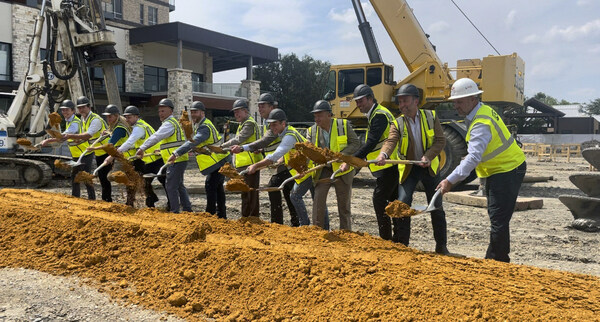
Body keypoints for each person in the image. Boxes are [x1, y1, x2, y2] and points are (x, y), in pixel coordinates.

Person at [437, 78, 527, 262]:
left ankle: (498, 261)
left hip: (507, 169)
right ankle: (494, 258)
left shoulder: (480, 122)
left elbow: (474, 158)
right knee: (498, 218)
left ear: (473, 99)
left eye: (459, 101)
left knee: (498, 218)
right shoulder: (481, 112)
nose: (456, 106)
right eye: (454, 101)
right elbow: (479, 152)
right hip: (501, 169)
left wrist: (449, 180)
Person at [377, 84, 449, 253]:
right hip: (410, 168)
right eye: (400, 102)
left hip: (429, 168)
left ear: (416, 101)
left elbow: (440, 141)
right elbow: (390, 141)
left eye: (405, 101)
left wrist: (428, 157)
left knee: (436, 206)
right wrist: (383, 155)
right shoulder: (398, 122)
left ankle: (441, 246)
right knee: (402, 204)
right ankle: (403, 245)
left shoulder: (431, 117)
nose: (402, 105)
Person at [340, 84, 400, 241]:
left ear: (370, 98)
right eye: (356, 102)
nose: (358, 105)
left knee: (379, 199)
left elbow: (372, 142)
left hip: (389, 164)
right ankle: (397, 239)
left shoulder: (379, 115)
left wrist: (352, 160)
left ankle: (386, 239)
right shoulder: (376, 114)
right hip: (387, 165)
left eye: (360, 101)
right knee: (393, 201)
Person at [230, 93, 300, 226]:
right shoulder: (269, 122)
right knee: (287, 190)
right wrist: (262, 151)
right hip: (279, 162)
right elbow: (272, 143)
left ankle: (281, 223)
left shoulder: (276, 121)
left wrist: (243, 148)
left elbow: (266, 140)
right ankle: (293, 222)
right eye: (259, 106)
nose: (260, 109)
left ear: (272, 107)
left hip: (285, 162)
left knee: (276, 187)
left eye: (263, 106)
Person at [246, 109, 311, 226]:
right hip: (300, 170)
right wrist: (281, 160)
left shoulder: (289, 136)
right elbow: (288, 152)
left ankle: (304, 225)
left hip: (308, 170)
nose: (272, 127)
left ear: (283, 124)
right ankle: (300, 224)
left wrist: (255, 166)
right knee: (294, 195)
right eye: (270, 125)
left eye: (275, 124)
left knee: (295, 196)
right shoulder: (285, 134)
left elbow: (276, 154)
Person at [168, 101, 231, 219]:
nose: (193, 115)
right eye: (192, 112)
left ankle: (210, 214)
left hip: (216, 161)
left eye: (195, 112)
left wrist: (176, 153)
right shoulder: (203, 124)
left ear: (202, 112)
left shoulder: (204, 127)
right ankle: (221, 216)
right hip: (219, 160)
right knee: (217, 188)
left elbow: (194, 141)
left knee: (210, 186)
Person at [307, 100, 360, 230]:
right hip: (323, 170)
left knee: (344, 205)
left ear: (329, 115)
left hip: (343, 170)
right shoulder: (311, 131)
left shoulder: (343, 125)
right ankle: (317, 231)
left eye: (319, 115)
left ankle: (345, 232)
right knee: (318, 201)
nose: (316, 118)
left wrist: (340, 156)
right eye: (315, 115)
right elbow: (308, 152)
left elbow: (355, 144)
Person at [135, 98, 191, 213]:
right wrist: (159, 150)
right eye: (159, 111)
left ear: (170, 111)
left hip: (175, 159)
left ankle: (175, 211)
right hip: (178, 158)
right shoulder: (173, 123)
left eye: (163, 111)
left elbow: (156, 137)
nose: (160, 113)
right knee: (179, 186)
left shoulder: (169, 124)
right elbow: (169, 142)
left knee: (171, 186)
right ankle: (187, 210)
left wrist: (142, 148)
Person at [106, 105, 165, 208]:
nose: (127, 120)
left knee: (157, 182)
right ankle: (149, 202)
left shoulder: (139, 128)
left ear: (136, 117)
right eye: (126, 117)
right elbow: (133, 143)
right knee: (142, 181)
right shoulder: (138, 126)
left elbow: (130, 142)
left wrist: (114, 154)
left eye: (129, 117)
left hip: (156, 158)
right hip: (148, 159)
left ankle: (166, 204)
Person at [40, 99, 95, 200]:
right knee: (76, 176)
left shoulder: (74, 123)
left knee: (84, 176)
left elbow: (63, 137)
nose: (64, 112)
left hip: (85, 153)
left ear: (73, 111)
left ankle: (90, 199)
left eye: (67, 110)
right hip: (78, 154)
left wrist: (47, 141)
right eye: (63, 110)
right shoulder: (69, 121)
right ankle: (77, 198)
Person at [62, 96, 112, 202]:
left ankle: (104, 200)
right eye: (79, 107)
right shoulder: (83, 119)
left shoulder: (95, 120)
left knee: (102, 177)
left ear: (89, 107)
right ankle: (95, 199)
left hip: (106, 151)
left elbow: (87, 135)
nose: (81, 110)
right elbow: (85, 137)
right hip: (97, 151)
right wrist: (78, 141)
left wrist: (71, 136)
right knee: (98, 177)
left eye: (83, 107)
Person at [221, 99, 263, 218]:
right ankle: (245, 217)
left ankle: (253, 218)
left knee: (251, 192)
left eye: (238, 112)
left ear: (245, 111)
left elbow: (239, 139)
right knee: (244, 192)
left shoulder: (249, 123)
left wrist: (221, 147)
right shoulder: (243, 124)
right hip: (243, 164)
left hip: (250, 163)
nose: (236, 115)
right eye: (234, 113)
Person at [92, 104, 137, 206]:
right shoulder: (115, 125)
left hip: (129, 157)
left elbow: (110, 144)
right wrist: (107, 132)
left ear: (116, 115)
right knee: (122, 179)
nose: (108, 118)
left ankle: (130, 202)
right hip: (123, 156)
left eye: (110, 116)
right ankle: (128, 202)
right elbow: (112, 133)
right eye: (107, 116)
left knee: (113, 177)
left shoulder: (120, 128)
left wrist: (94, 148)